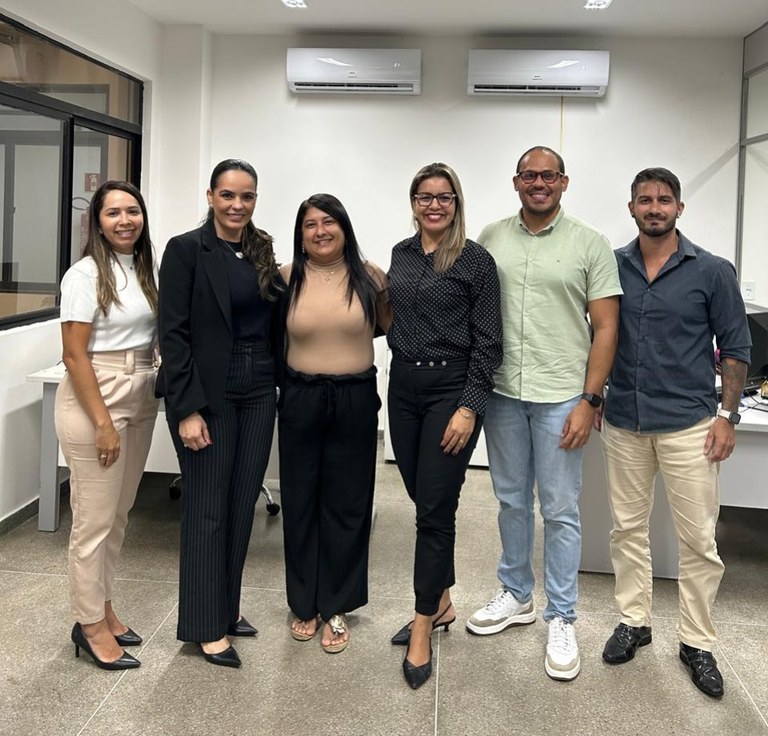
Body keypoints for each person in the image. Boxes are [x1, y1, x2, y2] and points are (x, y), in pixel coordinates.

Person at [468, 146, 621, 682]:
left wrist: (589, 399)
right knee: (511, 500)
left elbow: (606, 328)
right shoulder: (491, 237)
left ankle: (562, 616)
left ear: (563, 182)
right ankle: (516, 594)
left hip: (561, 397)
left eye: (548, 175)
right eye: (530, 175)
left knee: (559, 509)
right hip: (504, 393)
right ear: (516, 182)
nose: (539, 183)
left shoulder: (590, 243)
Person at [600, 167, 750, 698]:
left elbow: (736, 347)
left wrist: (727, 416)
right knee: (626, 530)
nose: (655, 208)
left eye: (664, 200)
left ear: (679, 208)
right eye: (645, 200)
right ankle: (634, 620)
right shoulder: (612, 266)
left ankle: (696, 642)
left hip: (690, 425)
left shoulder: (712, 270)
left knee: (699, 541)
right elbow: (596, 335)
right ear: (632, 208)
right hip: (625, 421)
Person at [157, 159, 284, 668]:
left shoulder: (260, 249)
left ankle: (226, 609)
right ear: (210, 196)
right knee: (208, 507)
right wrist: (187, 409)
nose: (237, 205)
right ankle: (204, 626)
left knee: (241, 503)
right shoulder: (186, 249)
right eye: (228, 195)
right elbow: (173, 334)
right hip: (209, 392)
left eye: (247, 196)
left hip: (259, 388)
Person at [387, 162, 503, 689]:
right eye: (425, 197)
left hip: (450, 390)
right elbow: (392, 315)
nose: (434, 205)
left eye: (444, 197)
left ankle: (421, 624)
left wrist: (469, 405)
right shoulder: (401, 254)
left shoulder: (476, 261)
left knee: (434, 511)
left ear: (456, 203)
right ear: (413, 203)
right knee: (423, 497)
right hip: (403, 388)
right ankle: (443, 601)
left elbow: (489, 341)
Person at [279, 193, 389, 654]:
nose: (320, 231)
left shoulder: (371, 277)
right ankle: (304, 603)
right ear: (300, 234)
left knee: (348, 505)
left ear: (344, 227)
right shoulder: (285, 277)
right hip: (301, 397)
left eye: (329, 222)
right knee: (300, 501)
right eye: (310, 224)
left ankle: (338, 603)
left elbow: (386, 326)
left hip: (354, 398)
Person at [55, 180, 159, 670]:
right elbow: (74, 355)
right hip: (97, 393)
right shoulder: (84, 274)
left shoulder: (143, 267)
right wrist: (102, 423)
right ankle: (88, 624)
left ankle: (104, 606)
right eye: (113, 212)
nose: (124, 220)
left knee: (118, 515)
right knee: (93, 522)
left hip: (141, 390)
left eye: (132, 211)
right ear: (96, 222)